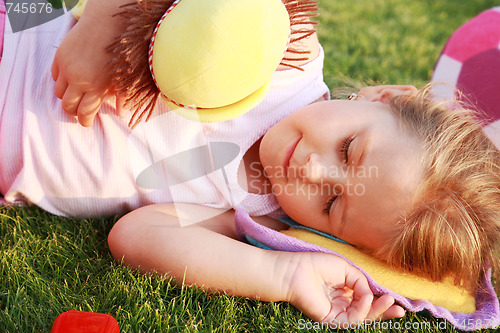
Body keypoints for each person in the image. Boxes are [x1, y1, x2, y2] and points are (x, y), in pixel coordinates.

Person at [0, 0, 405, 326]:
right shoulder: (289, 53)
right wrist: (103, 21)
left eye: (331, 204)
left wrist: (285, 275)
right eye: (349, 149)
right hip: (24, 35)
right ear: (383, 97)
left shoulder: (260, 218)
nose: (313, 171)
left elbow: (137, 234)